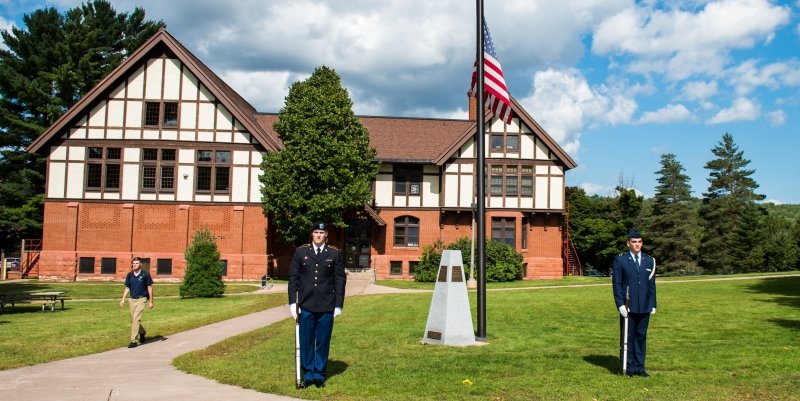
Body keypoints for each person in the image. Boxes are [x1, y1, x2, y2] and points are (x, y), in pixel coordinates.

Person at [288, 222, 347, 388]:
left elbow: (340, 280)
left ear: (326, 235)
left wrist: (338, 304)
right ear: (312, 234)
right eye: (316, 232)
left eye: (322, 232)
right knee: (306, 341)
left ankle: (320, 374)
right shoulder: (301, 252)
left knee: (322, 341)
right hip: (306, 304)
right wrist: (293, 302)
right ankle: (308, 374)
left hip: (327, 305)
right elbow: (293, 278)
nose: (319, 235)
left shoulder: (334, 254)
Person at [612, 229, 657, 377]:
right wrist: (620, 304)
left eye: (639, 242)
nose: (637, 245)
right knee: (627, 337)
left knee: (640, 337)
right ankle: (628, 367)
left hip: (644, 305)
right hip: (628, 306)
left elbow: (651, 285)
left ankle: (639, 367)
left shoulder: (649, 260)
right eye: (634, 242)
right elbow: (617, 283)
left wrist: (653, 304)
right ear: (628, 243)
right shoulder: (621, 260)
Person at [120, 257, 154, 348]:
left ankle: (133, 340)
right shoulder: (130, 275)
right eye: (133, 263)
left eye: (136, 263)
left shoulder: (145, 275)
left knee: (136, 319)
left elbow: (149, 288)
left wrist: (151, 301)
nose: (134, 265)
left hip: (142, 299)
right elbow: (127, 287)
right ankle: (142, 332)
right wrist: (123, 299)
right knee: (133, 320)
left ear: (140, 265)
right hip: (132, 299)